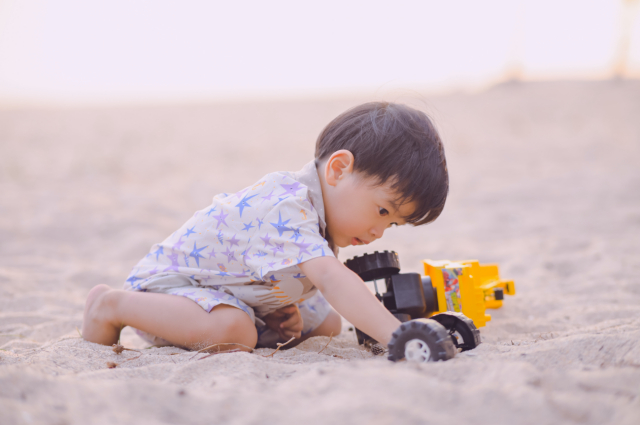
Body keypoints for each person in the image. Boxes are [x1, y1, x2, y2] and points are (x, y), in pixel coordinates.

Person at [81, 102, 449, 351]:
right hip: (168, 293)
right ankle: (111, 306)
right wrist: (397, 336)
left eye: (393, 225)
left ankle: (257, 317)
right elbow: (334, 279)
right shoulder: (288, 205)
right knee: (235, 332)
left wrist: (275, 306)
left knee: (326, 324)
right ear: (338, 169)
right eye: (383, 211)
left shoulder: (320, 210)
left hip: (227, 291)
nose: (378, 232)